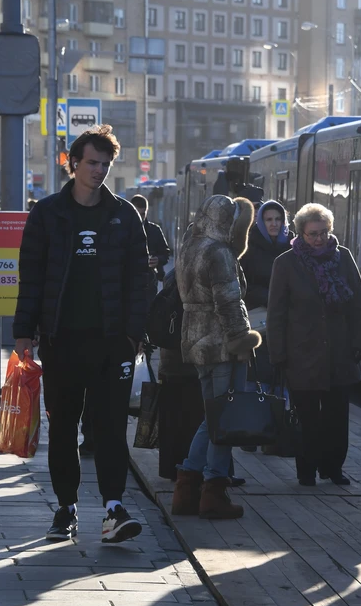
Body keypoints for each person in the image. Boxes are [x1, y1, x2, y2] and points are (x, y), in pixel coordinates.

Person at [13, 124, 152, 543]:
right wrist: (24, 332)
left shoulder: (123, 215)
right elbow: (31, 276)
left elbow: (139, 279)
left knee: (111, 428)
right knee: (64, 427)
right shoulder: (48, 213)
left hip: (112, 343)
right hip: (62, 341)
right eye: (92, 162)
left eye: (105, 164)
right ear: (73, 164)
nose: (99, 170)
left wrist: (133, 335)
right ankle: (66, 508)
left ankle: (113, 509)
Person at [170, 194, 261, 520]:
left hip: (195, 341)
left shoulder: (190, 247)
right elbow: (229, 301)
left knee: (212, 418)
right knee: (224, 420)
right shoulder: (219, 253)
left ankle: (186, 488)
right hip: (222, 344)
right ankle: (213, 492)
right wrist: (242, 339)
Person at [267, 203, 361, 487]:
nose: (319, 239)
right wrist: (278, 354)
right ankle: (307, 470)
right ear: (301, 233)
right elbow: (276, 312)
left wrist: (360, 342)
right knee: (308, 417)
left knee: (337, 417)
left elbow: (358, 306)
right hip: (302, 353)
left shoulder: (343, 258)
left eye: (324, 232)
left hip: (339, 353)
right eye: (313, 234)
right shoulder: (286, 263)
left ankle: (333, 468)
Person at [155, 269, 206, 481]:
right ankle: (198, 469)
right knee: (199, 415)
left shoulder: (173, 276)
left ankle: (171, 467)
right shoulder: (201, 276)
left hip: (172, 362)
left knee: (175, 417)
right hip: (192, 360)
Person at [240, 200, 293, 310]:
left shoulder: (293, 245)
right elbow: (242, 284)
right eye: (269, 220)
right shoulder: (249, 247)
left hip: (289, 310)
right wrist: (268, 297)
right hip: (259, 310)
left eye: (278, 219)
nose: (274, 224)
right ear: (261, 222)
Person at [130, 194, 172, 282]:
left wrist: (158, 260)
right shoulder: (122, 230)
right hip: (129, 280)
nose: (140, 218)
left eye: (142, 214)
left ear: (146, 211)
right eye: (137, 214)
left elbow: (165, 253)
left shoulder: (155, 230)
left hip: (149, 281)